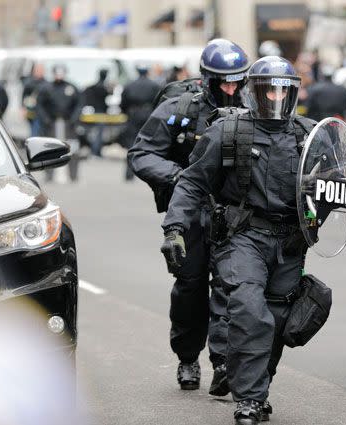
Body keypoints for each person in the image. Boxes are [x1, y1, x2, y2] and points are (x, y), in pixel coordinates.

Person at [161, 56, 319, 425]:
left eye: (283, 89)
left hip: (291, 242)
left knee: (279, 322)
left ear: (293, 92)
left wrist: (322, 213)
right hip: (242, 237)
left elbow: (332, 187)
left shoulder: (308, 136)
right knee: (249, 311)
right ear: (254, 92)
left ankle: (256, 390)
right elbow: (192, 182)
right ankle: (247, 400)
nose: (276, 97)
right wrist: (174, 229)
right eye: (268, 90)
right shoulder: (228, 131)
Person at [127, 39, 250, 395]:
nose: (231, 88)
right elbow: (142, 153)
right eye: (223, 82)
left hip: (235, 212)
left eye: (237, 81)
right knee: (190, 287)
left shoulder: (253, 105)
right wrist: (179, 177)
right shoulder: (179, 107)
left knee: (232, 287)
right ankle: (187, 358)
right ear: (208, 79)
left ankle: (224, 363)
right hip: (191, 209)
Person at [36, 64, 81, 182]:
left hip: (68, 123)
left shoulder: (71, 88)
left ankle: (73, 175)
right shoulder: (46, 88)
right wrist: (45, 119)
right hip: (51, 123)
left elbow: (79, 104)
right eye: (57, 73)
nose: (59, 76)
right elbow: (40, 105)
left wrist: (74, 118)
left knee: (73, 148)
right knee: (49, 149)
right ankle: (49, 175)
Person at [120, 63, 161, 180]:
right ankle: (148, 174)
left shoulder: (129, 85)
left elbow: (123, 103)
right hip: (148, 115)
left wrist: (126, 113)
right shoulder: (154, 85)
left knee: (131, 144)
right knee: (148, 144)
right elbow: (159, 101)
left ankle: (129, 173)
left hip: (133, 115)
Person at [80, 68, 111, 157]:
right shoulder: (102, 88)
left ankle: (96, 151)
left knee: (97, 134)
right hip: (99, 112)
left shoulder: (93, 87)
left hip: (93, 112)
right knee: (98, 134)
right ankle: (95, 151)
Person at [22, 62, 47, 137]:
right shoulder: (29, 84)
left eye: (41, 70)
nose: (39, 72)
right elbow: (24, 96)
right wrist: (23, 108)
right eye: (38, 70)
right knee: (34, 130)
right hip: (32, 111)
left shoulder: (46, 84)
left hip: (43, 112)